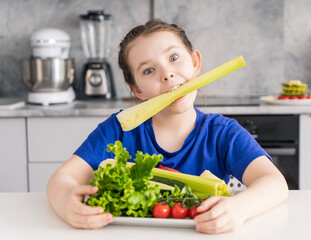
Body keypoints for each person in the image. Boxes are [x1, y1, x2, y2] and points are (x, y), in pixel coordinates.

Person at [47, 19, 288, 234]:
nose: (167, 75)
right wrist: (67, 202)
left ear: (195, 63)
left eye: (174, 58)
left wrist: (240, 208)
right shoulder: (118, 129)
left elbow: (274, 182)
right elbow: (63, 179)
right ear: (137, 90)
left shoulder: (223, 133)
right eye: (149, 70)